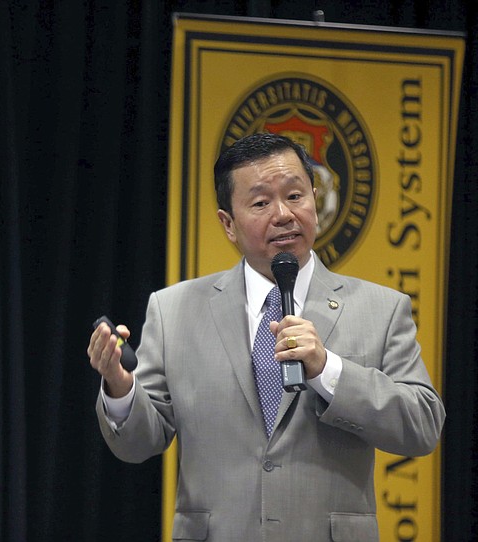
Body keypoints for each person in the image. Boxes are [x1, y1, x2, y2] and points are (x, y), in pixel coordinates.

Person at [86, 132, 444, 541]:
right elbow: (138, 444)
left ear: (315, 198)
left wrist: (330, 370)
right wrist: (119, 385)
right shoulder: (174, 311)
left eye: (296, 195)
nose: (284, 215)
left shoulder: (381, 308)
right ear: (228, 224)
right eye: (260, 203)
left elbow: (422, 426)